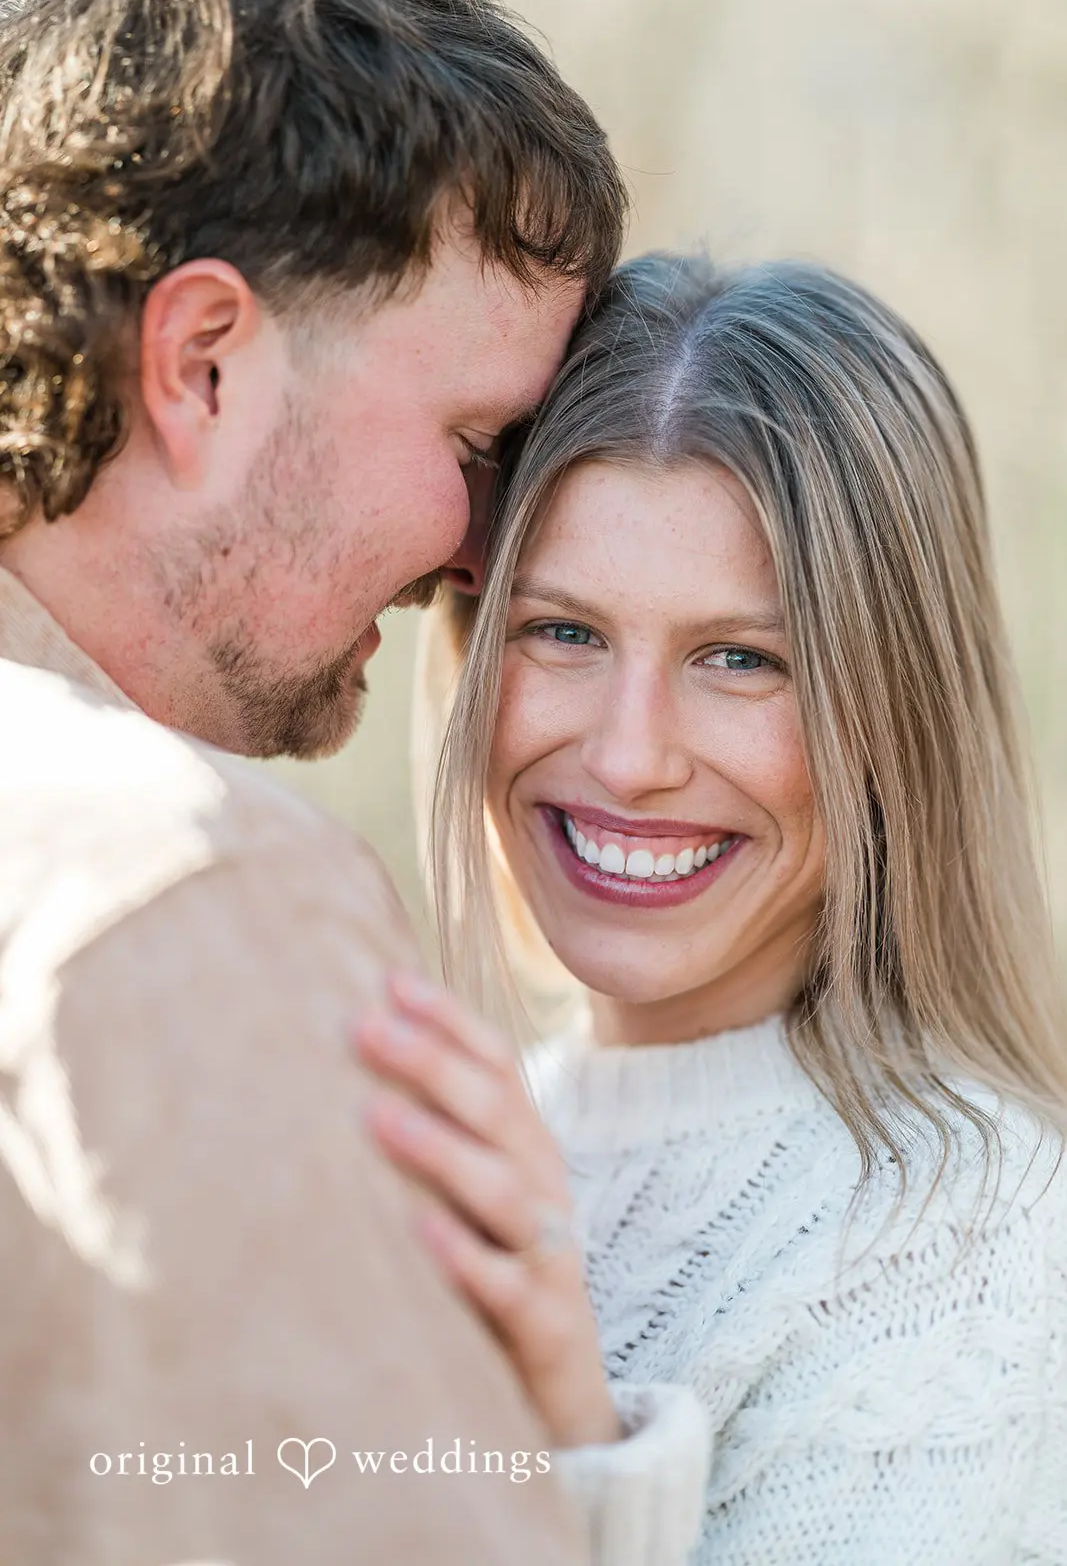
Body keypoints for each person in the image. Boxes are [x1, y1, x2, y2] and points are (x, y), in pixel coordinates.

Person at [0, 0, 631, 1561]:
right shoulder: (185, 889)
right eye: (477, 447)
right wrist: (578, 1461)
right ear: (204, 360)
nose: (485, 559)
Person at [361, 254, 1067, 1564]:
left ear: (892, 718)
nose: (630, 757)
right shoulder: (455, 1132)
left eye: (740, 659)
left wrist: (576, 1443)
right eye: (561, 633)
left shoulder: (966, 1235)